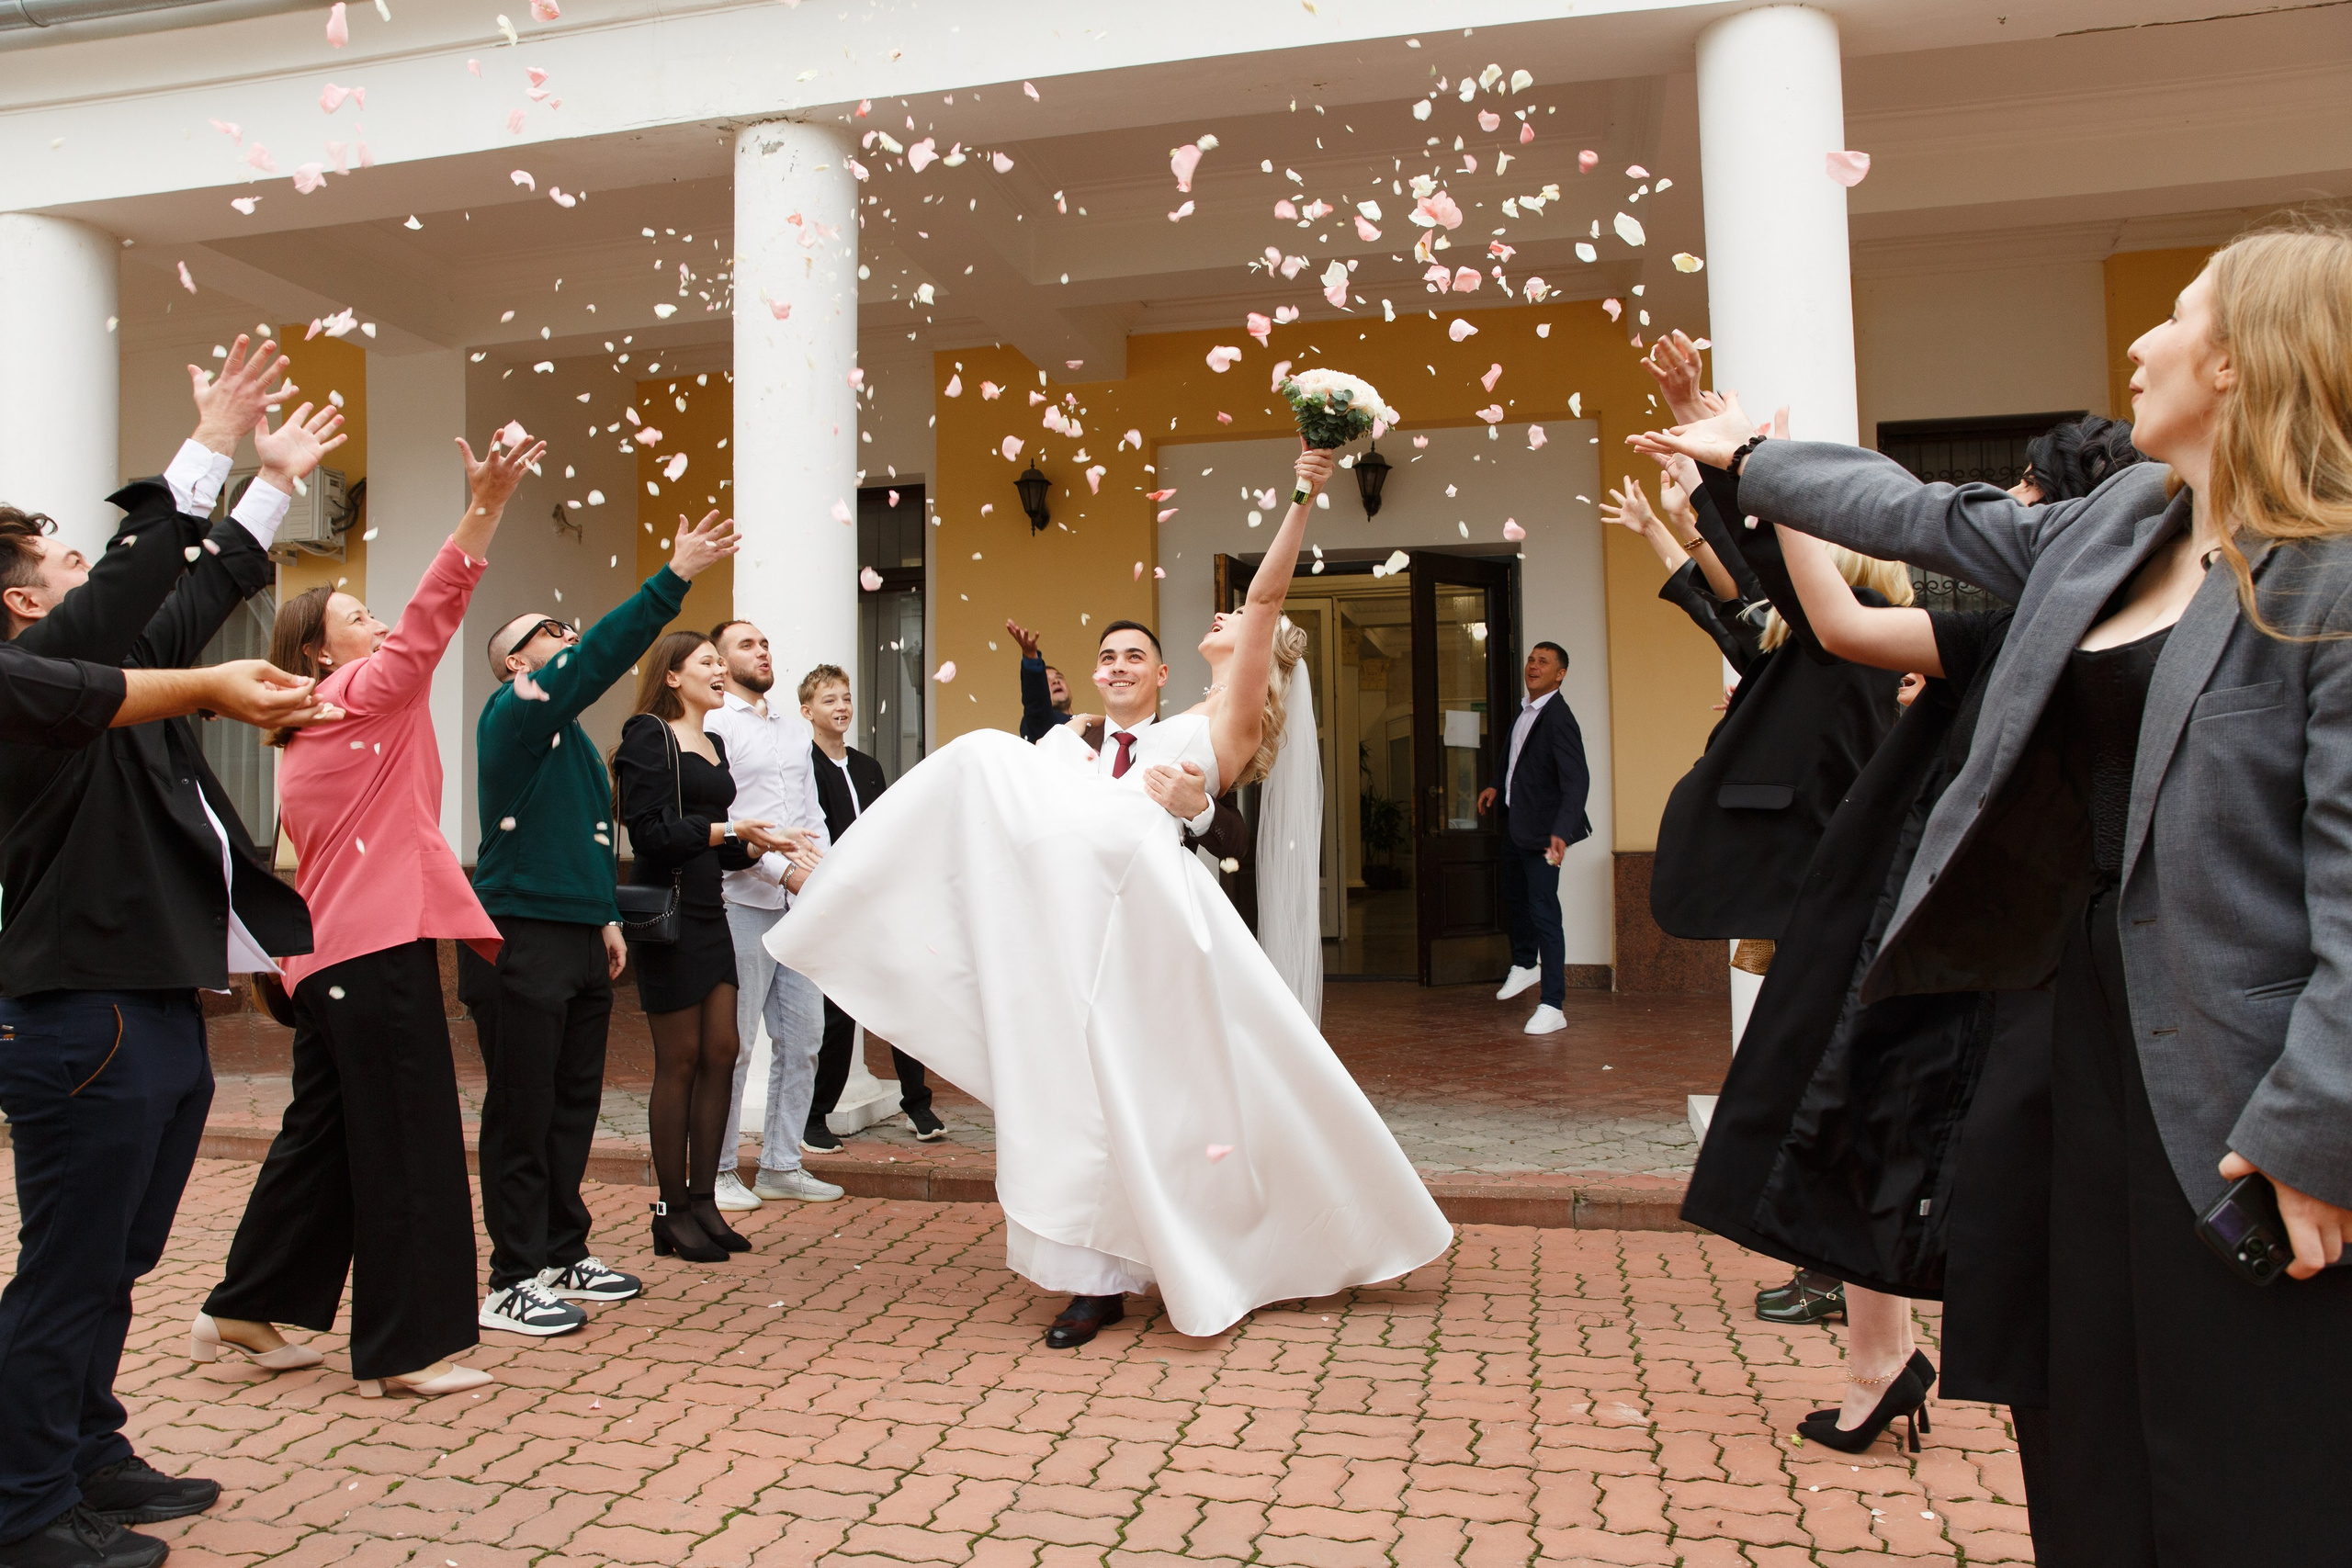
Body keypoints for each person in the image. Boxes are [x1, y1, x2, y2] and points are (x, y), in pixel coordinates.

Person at [1632, 215, 2352, 1563]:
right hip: (2058, 1038)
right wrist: (1753, 456)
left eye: (2179, 315)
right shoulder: (2119, 525)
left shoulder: (2334, 579)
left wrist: (2325, 1125)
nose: (2142, 342)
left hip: (2233, 1077)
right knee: (2077, 1398)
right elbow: (1919, 515)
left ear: (2249, 362)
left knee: (2248, 1432)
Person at [769, 446, 1452, 1351]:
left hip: (1153, 923)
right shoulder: (1099, 737)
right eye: (1112, 654)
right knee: (1070, 1078)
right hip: (1074, 915)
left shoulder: (1228, 715)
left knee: (1149, 1094)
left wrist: (1303, 492)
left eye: (1140, 651)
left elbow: (1263, 601)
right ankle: (1091, 1273)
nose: (1127, 660)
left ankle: (1183, 1251)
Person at [1682, 413, 2149, 1469]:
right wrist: (1778, 486)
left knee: (1934, 1139)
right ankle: (1879, 1358)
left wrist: (1776, 483)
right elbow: (1841, 628)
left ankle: (1952, 1366)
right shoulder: (2015, 627)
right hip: (1963, 918)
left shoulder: (2100, 622)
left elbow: (1847, 625)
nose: (2013, 509)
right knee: (1869, 1122)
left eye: (2024, 492)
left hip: (2026, 939)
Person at [0, 337, 338, 1568]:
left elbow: (189, 603)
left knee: (118, 1255)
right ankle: (24, 1507)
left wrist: (272, 484)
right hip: (77, 1014)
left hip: (151, 1001)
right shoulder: (24, 680)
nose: (96, 575)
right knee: (69, 1266)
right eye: (67, 560)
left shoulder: (99, 671)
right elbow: (138, 606)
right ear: (26, 599)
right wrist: (197, 451)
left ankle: (89, 1449)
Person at [198, 431, 540, 1404]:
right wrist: (486, 507)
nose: (382, 622)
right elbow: (437, 615)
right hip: (371, 954)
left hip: (329, 965)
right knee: (410, 1144)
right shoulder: (361, 696)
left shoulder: (313, 719)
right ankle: (404, 1348)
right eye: (358, 615)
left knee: (327, 1139)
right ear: (319, 647)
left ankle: (247, 1303)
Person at [461, 511, 739, 1337]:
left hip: (578, 932)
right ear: (518, 660)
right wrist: (672, 575)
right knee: (522, 1103)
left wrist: (603, 918)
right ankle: (511, 1275)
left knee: (572, 1099)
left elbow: (585, 839)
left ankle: (559, 1248)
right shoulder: (516, 711)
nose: (568, 635)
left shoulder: (570, 741)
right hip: (518, 933)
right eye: (550, 632)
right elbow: (595, 661)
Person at [613, 632, 809, 1263]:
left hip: (710, 909)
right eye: (707, 662)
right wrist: (728, 828)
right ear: (672, 675)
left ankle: (704, 1200)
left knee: (722, 1049)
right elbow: (648, 833)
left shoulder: (715, 740)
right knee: (681, 1058)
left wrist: (756, 844)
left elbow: (713, 841)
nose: (719, 670)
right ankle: (671, 1210)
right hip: (669, 913)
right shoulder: (649, 735)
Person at [702, 620, 842, 1207]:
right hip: (742, 900)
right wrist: (782, 871)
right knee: (735, 1043)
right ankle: (719, 1168)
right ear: (720, 662)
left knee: (805, 1039)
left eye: (764, 643)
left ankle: (783, 1163)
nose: (761, 651)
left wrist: (824, 877)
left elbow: (812, 814)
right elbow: (728, 820)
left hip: (800, 906)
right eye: (745, 645)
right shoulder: (713, 726)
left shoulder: (791, 731)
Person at [797, 662, 942, 1145]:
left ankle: (917, 1105)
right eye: (829, 700)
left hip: (881, 901)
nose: (841, 708)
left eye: (845, 698)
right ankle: (815, 1115)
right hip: (833, 906)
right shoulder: (803, 768)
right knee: (838, 1015)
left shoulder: (867, 766)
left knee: (904, 998)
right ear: (807, 711)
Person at [1475, 642, 1594, 1036]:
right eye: (1531, 658)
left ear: (1560, 674)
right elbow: (1514, 756)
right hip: (1516, 825)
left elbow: (1577, 781)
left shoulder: (1559, 717)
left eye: (1544, 662)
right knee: (1515, 898)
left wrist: (1561, 831)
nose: (1534, 665)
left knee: (1545, 912)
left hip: (1545, 834)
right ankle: (1526, 966)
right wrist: (1495, 785)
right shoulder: (1527, 710)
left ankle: (1553, 1004)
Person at [1004, 619, 1072, 740]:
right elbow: (1037, 706)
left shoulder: (1095, 727)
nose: (1056, 681)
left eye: (1059, 677)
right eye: (1047, 681)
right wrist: (1031, 658)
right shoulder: (1038, 723)